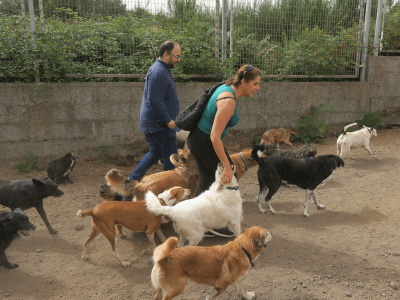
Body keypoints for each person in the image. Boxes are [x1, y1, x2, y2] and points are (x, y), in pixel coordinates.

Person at [187, 64, 261, 237]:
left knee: (206, 182)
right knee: (228, 179)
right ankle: (213, 223)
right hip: (204, 141)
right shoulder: (228, 101)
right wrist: (227, 166)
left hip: (199, 139)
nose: (257, 88)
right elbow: (214, 136)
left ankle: (200, 223)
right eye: (255, 84)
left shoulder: (227, 87)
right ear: (244, 82)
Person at [127, 41, 181, 181]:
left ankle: (130, 182)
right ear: (165, 55)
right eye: (177, 56)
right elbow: (155, 101)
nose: (178, 60)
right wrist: (167, 121)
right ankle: (169, 190)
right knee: (171, 157)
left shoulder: (160, 70)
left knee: (155, 152)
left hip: (154, 123)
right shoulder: (159, 72)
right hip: (160, 125)